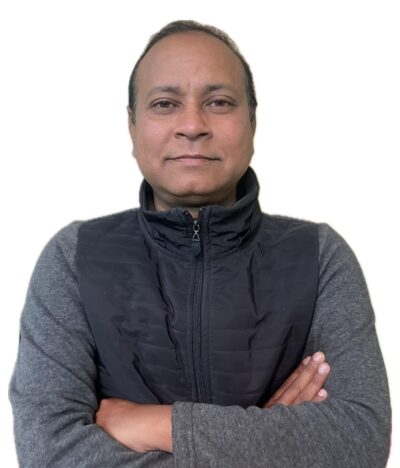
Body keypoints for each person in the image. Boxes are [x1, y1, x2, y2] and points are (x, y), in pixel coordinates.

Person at [9, 20, 391, 467]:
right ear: (132, 125)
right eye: (165, 103)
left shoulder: (319, 256)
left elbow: (360, 440)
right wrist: (266, 440)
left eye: (219, 102)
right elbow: (49, 451)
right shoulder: (74, 258)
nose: (192, 125)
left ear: (253, 121)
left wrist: (158, 425)